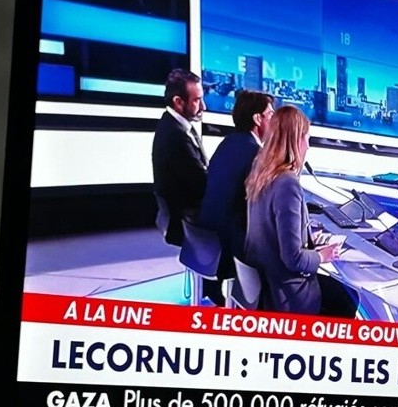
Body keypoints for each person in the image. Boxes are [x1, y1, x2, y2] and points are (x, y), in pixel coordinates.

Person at [242, 106, 357, 317]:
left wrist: (307, 237)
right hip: (286, 294)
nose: (309, 146)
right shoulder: (287, 184)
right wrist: (322, 256)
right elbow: (293, 259)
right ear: (296, 140)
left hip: (265, 284)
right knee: (348, 298)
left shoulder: (260, 173)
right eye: (307, 138)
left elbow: (271, 231)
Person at [196, 90, 274, 306]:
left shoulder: (227, 142)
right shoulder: (256, 154)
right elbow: (261, 206)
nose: (274, 120)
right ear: (257, 119)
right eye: (270, 114)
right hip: (230, 242)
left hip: (208, 238)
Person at [152, 68, 208, 246]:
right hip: (185, 219)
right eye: (197, 100)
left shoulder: (174, 124)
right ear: (178, 101)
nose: (203, 107)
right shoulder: (175, 136)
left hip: (184, 211)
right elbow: (201, 183)